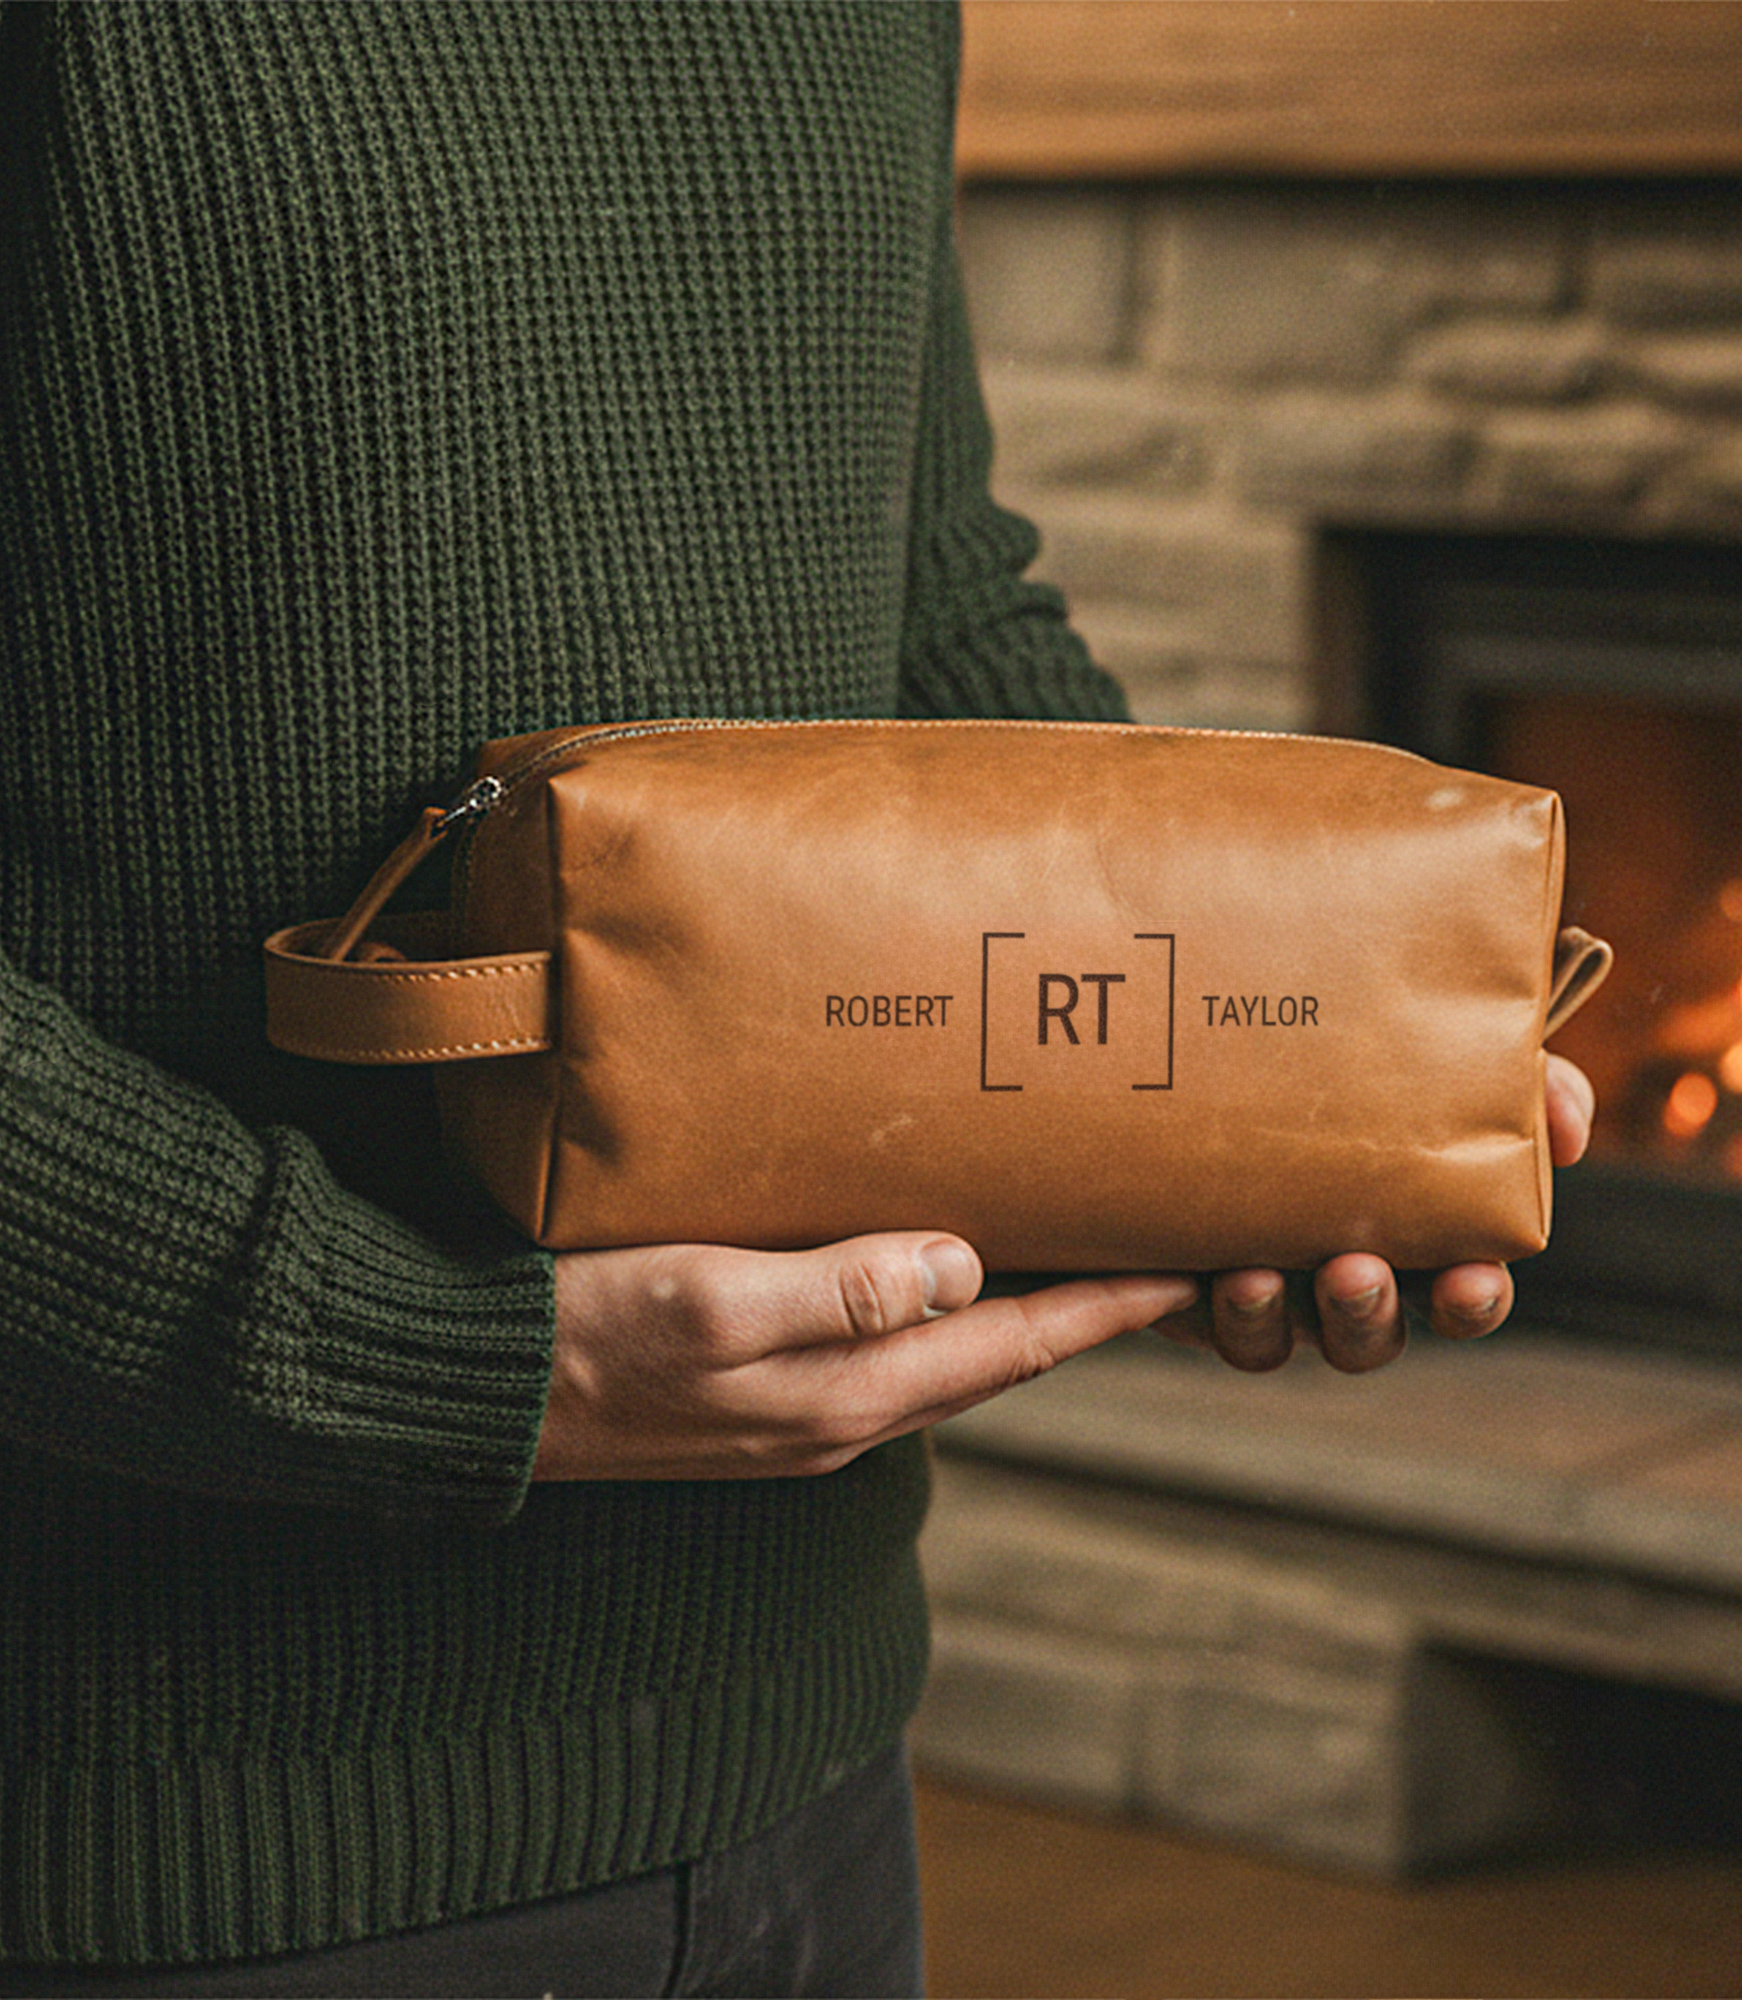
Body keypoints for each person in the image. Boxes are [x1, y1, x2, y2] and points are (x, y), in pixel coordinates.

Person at [0, 3, 1593, 1995]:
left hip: (811, 1758)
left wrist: (1229, 1062)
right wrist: (433, 1356)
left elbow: (929, 598)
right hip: (171, 1836)